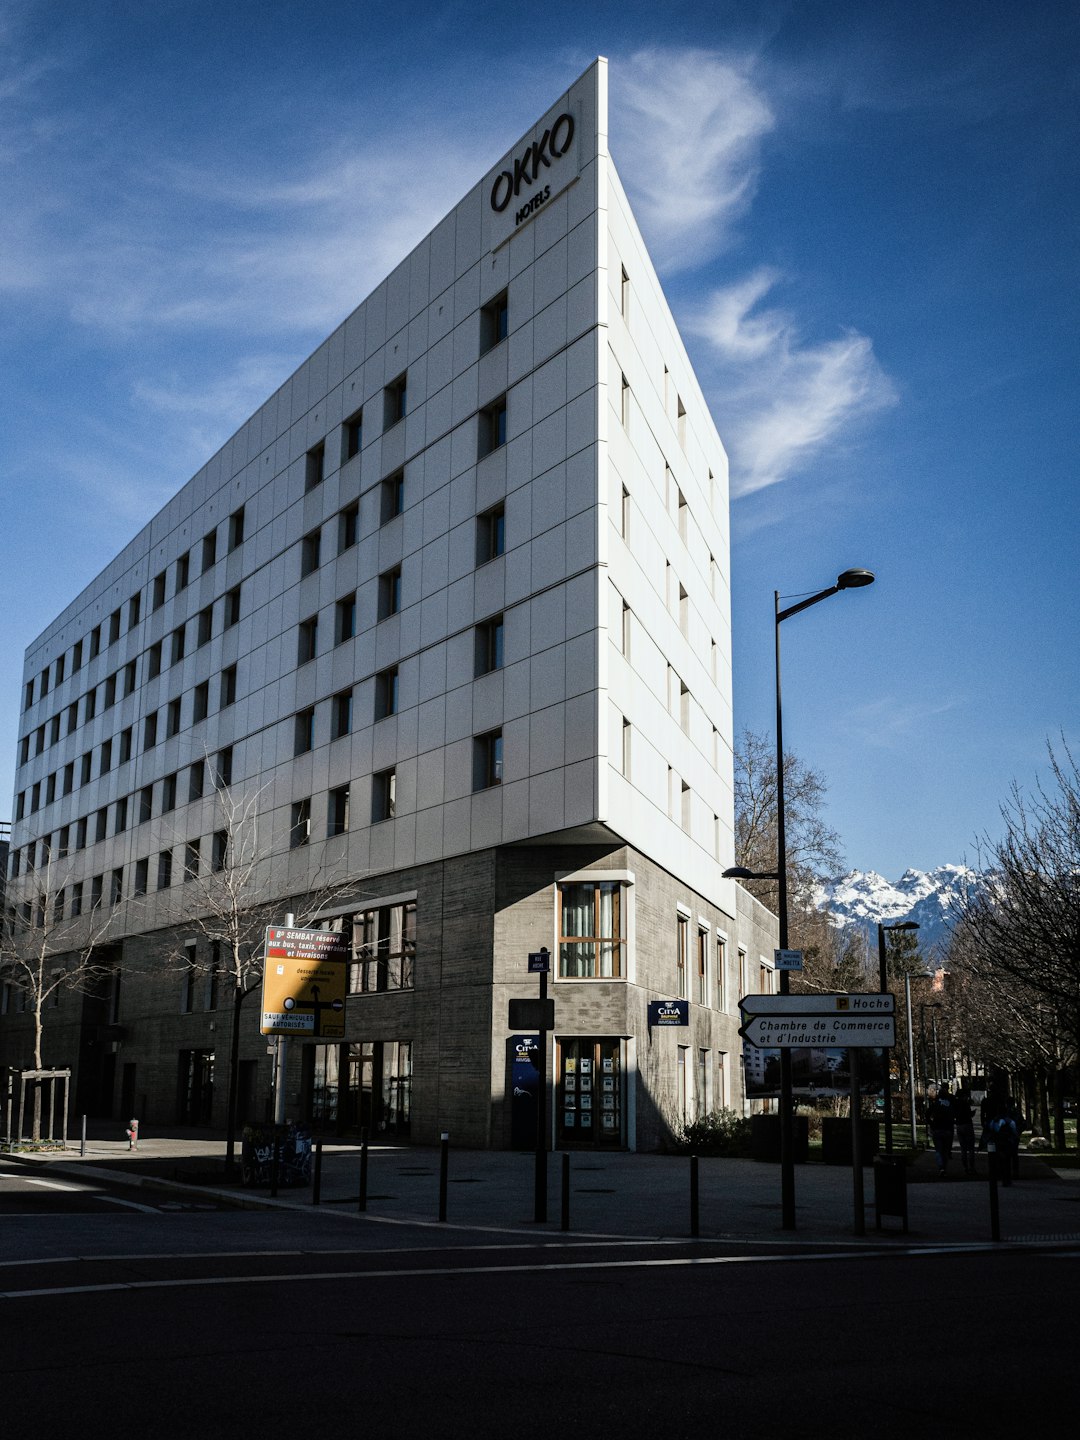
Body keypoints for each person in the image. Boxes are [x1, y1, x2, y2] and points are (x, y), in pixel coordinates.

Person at [926, 1082, 956, 1177]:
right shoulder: (951, 1102)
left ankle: (941, 1168)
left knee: (938, 1150)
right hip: (948, 1128)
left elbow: (927, 1114)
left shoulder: (936, 1103)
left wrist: (931, 1123)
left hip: (937, 1128)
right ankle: (944, 1167)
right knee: (945, 1151)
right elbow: (955, 1113)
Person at [953, 1085, 976, 1176]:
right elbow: (968, 1114)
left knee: (963, 1148)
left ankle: (965, 1167)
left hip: (959, 1125)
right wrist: (972, 1113)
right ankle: (972, 1167)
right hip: (967, 1125)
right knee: (971, 1148)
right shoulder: (965, 1103)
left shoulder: (955, 1103)